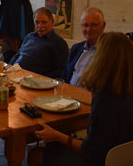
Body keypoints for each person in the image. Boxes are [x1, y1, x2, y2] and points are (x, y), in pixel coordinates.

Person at [30, 32, 133, 166]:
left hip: (102, 160)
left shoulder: (104, 99)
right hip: (126, 158)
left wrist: (57, 136)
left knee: (36, 154)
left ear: (102, 59)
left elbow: (92, 151)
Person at [9, 7, 68, 78]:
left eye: (44, 22)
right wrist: (8, 68)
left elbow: (61, 69)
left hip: (34, 82)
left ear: (52, 22)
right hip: (14, 75)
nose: (40, 26)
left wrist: (41, 79)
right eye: (37, 22)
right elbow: (17, 55)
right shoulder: (29, 36)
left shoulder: (58, 43)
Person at [61, 7, 106, 86]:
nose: (88, 29)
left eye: (93, 25)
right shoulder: (76, 48)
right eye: (85, 25)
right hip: (68, 94)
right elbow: (65, 75)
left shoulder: (109, 52)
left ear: (103, 26)